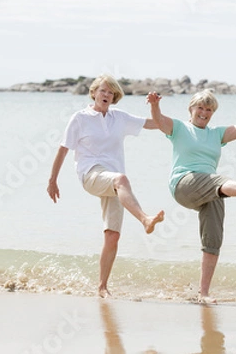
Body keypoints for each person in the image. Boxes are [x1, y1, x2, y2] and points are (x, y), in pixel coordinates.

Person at [147, 90, 236, 304]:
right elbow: (159, 121)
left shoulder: (215, 134)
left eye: (209, 109)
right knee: (218, 181)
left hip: (211, 189)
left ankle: (204, 293)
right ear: (191, 109)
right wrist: (154, 105)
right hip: (184, 183)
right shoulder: (180, 128)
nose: (204, 112)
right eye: (201, 108)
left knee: (213, 239)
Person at [47, 74, 165, 298]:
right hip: (91, 174)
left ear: (115, 97)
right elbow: (63, 149)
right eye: (103, 91)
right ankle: (145, 219)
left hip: (114, 182)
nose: (106, 95)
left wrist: (158, 109)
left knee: (112, 235)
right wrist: (53, 180)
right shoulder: (80, 118)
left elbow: (154, 124)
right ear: (93, 93)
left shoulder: (119, 117)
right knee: (122, 179)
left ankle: (102, 287)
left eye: (111, 92)